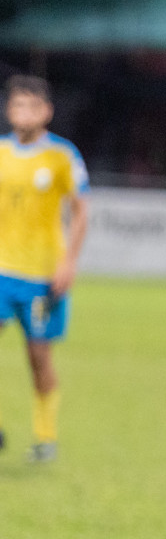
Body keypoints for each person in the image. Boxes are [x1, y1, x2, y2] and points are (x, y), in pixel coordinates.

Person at [0, 75, 88, 462]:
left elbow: (80, 211)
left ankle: (45, 436)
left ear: (47, 112)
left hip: (40, 276)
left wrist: (68, 262)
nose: (25, 113)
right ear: (8, 110)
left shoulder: (61, 156)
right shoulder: (0, 152)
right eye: (18, 105)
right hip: (1, 270)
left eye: (33, 106)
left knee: (38, 358)